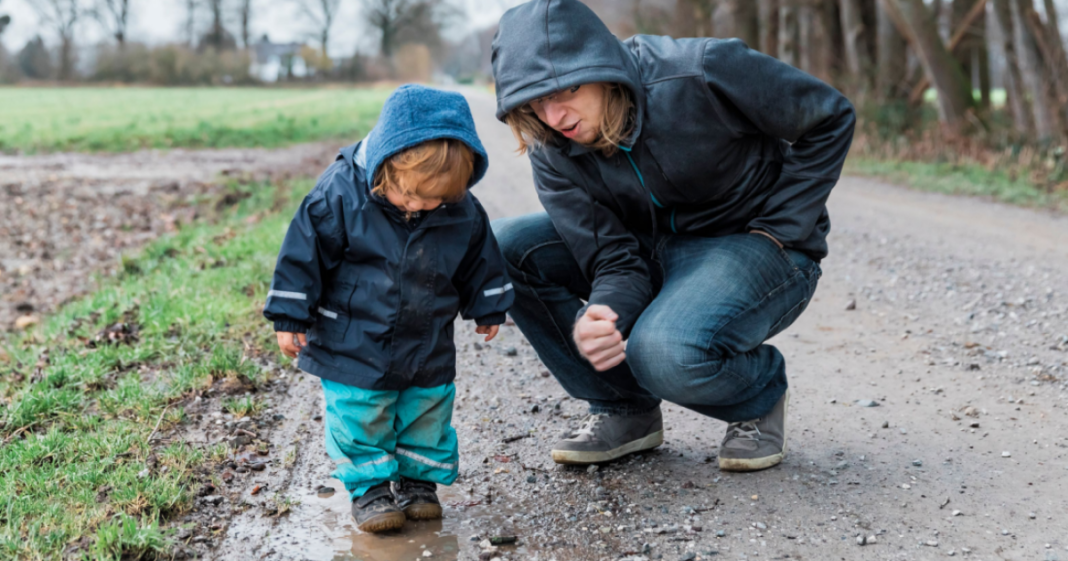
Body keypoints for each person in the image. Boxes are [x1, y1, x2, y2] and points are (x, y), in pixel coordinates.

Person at [490, 0, 855, 472]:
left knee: (661, 351)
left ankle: (757, 396)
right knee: (503, 246)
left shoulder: (701, 71)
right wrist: (605, 312)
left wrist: (781, 227)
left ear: (600, 66)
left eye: (569, 89)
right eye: (537, 102)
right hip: (649, 250)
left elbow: (829, 118)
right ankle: (625, 410)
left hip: (752, 243)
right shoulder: (551, 144)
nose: (555, 116)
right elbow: (612, 257)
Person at [263, 85, 513, 532]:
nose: (422, 206)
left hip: (427, 338)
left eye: (436, 199)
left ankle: (420, 482)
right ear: (386, 167)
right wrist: (290, 314)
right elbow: (304, 254)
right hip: (352, 338)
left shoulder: (461, 209)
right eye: (412, 196)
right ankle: (371, 489)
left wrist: (488, 305)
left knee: (427, 410)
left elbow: (481, 257)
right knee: (361, 412)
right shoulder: (339, 194)